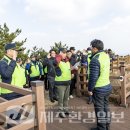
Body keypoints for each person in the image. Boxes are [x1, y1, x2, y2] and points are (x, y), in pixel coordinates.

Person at [88, 39, 112, 130]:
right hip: (107, 86)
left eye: (91, 47)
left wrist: (90, 89)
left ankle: (101, 128)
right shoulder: (106, 55)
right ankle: (107, 126)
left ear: (95, 48)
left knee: (99, 109)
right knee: (106, 107)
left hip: (99, 88)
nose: (91, 49)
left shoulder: (95, 59)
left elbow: (93, 77)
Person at [55, 48, 71, 118]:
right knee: (61, 98)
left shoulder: (67, 61)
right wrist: (59, 55)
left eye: (65, 53)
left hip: (67, 82)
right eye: (63, 53)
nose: (65, 54)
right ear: (60, 53)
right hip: (60, 83)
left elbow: (69, 70)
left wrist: (73, 69)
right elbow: (55, 62)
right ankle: (60, 111)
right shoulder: (58, 60)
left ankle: (65, 109)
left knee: (66, 98)